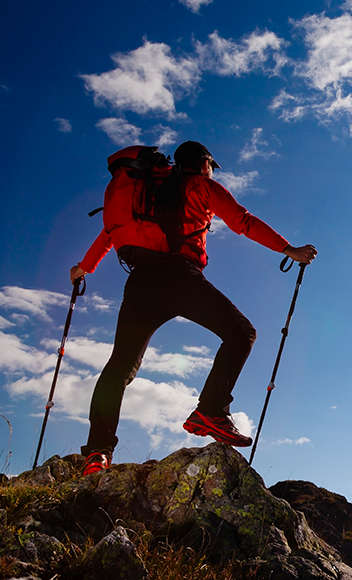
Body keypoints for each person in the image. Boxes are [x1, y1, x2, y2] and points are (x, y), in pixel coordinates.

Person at [71, 141, 317, 476]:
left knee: (120, 367)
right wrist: (289, 249)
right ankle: (211, 410)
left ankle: (97, 452)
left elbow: (109, 234)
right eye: (212, 166)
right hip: (178, 277)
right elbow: (242, 221)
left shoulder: (146, 190)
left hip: (140, 283)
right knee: (241, 333)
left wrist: (83, 269)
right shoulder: (200, 185)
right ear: (203, 164)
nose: (212, 171)